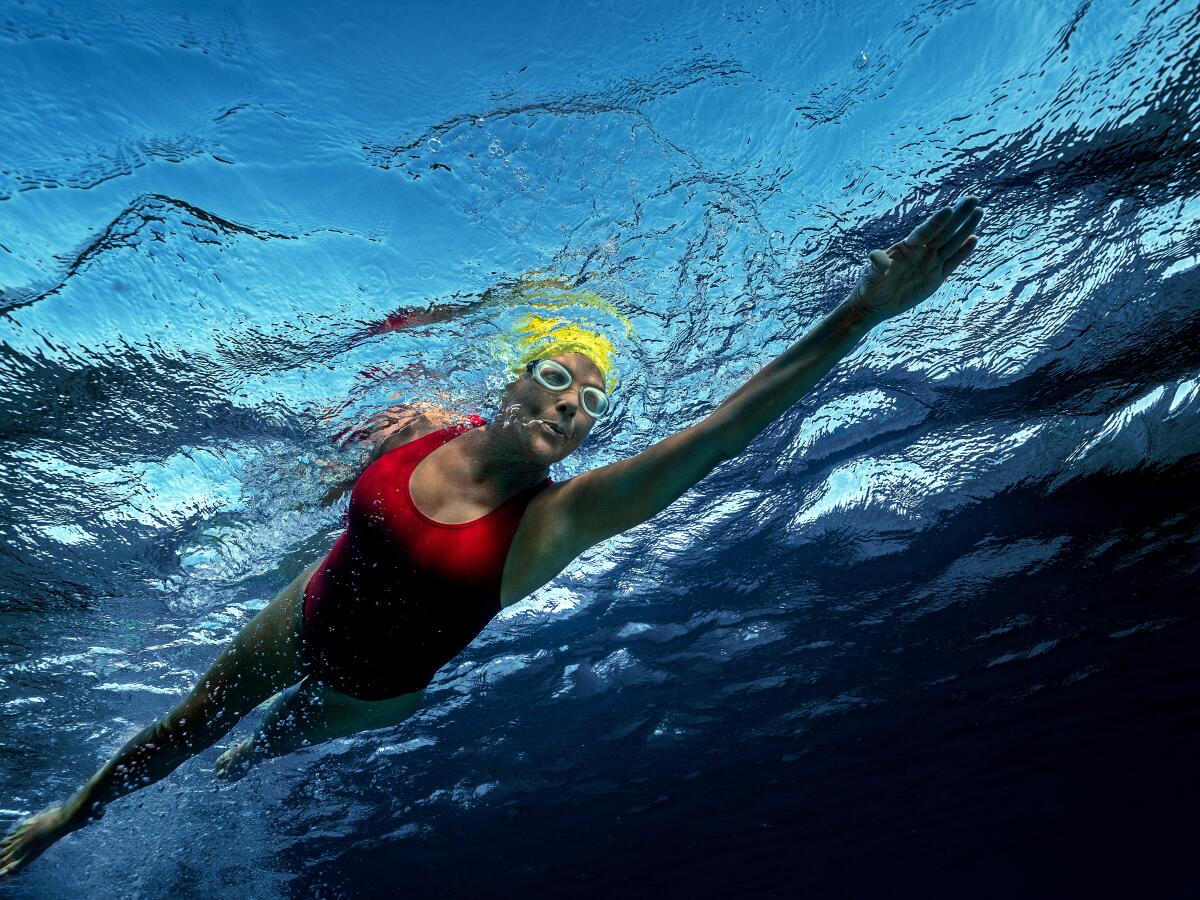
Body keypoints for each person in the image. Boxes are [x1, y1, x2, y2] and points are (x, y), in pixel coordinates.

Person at [0, 196, 983, 878]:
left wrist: (861, 313)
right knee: (190, 719)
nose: (571, 405)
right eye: (557, 379)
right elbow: (377, 438)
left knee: (245, 756)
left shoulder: (560, 518)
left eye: (591, 401)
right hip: (304, 611)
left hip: (366, 692)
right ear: (512, 384)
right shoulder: (433, 422)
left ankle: (232, 786)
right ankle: (61, 821)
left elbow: (724, 429)